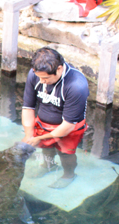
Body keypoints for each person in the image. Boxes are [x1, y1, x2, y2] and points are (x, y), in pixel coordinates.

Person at [21, 47, 89, 189]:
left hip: (68, 127)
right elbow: (28, 107)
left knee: (65, 153)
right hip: (44, 122)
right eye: (39, 77)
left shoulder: (76, 85)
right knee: (46, 147)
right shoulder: (35, 74)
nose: (42, 81)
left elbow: (68, 126)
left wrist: (39, 138)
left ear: (59, 69)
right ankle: (48, 165)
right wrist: (29, 134)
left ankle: (69, 174)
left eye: (46, 78)